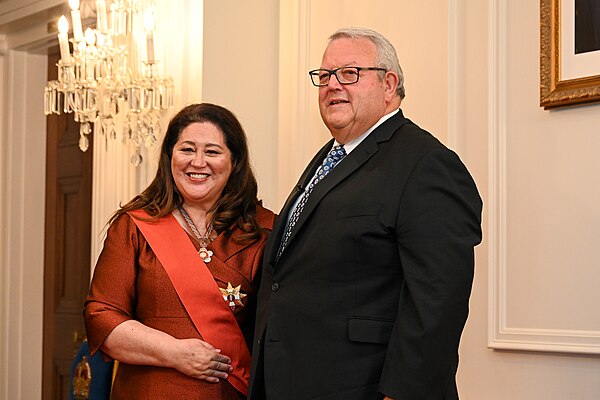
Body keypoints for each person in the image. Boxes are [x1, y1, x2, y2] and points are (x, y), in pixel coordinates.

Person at [248, 28, 483, 400]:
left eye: (349, 73)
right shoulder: (330, 157)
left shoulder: (427, 164)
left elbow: (438, 302)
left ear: (389, 85)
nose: (332, 85)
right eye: (324, 76)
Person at [84, 103, 275, 399]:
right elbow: (101, 317)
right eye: (187, 149)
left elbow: (284, 327)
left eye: (212, 152)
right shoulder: (134, 226)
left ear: (234, 161)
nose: (198, 162)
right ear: (169, 157)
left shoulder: (265, 231)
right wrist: (174, 353)